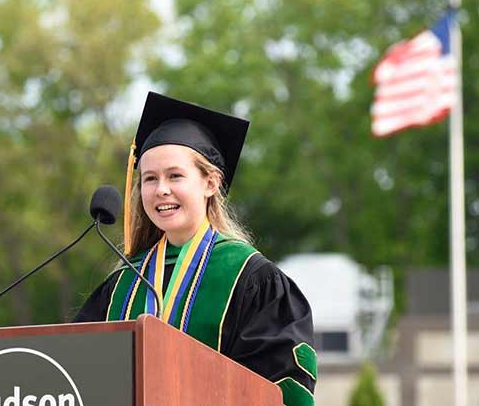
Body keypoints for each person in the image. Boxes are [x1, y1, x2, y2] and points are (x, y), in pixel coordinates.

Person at [74, 92, 317, 406]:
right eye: (149, 179)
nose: (161, 189)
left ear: (210, 183)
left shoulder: (251, 279)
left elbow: (281, 386)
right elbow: (75, 373)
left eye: (175, 175)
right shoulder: (124, 282)